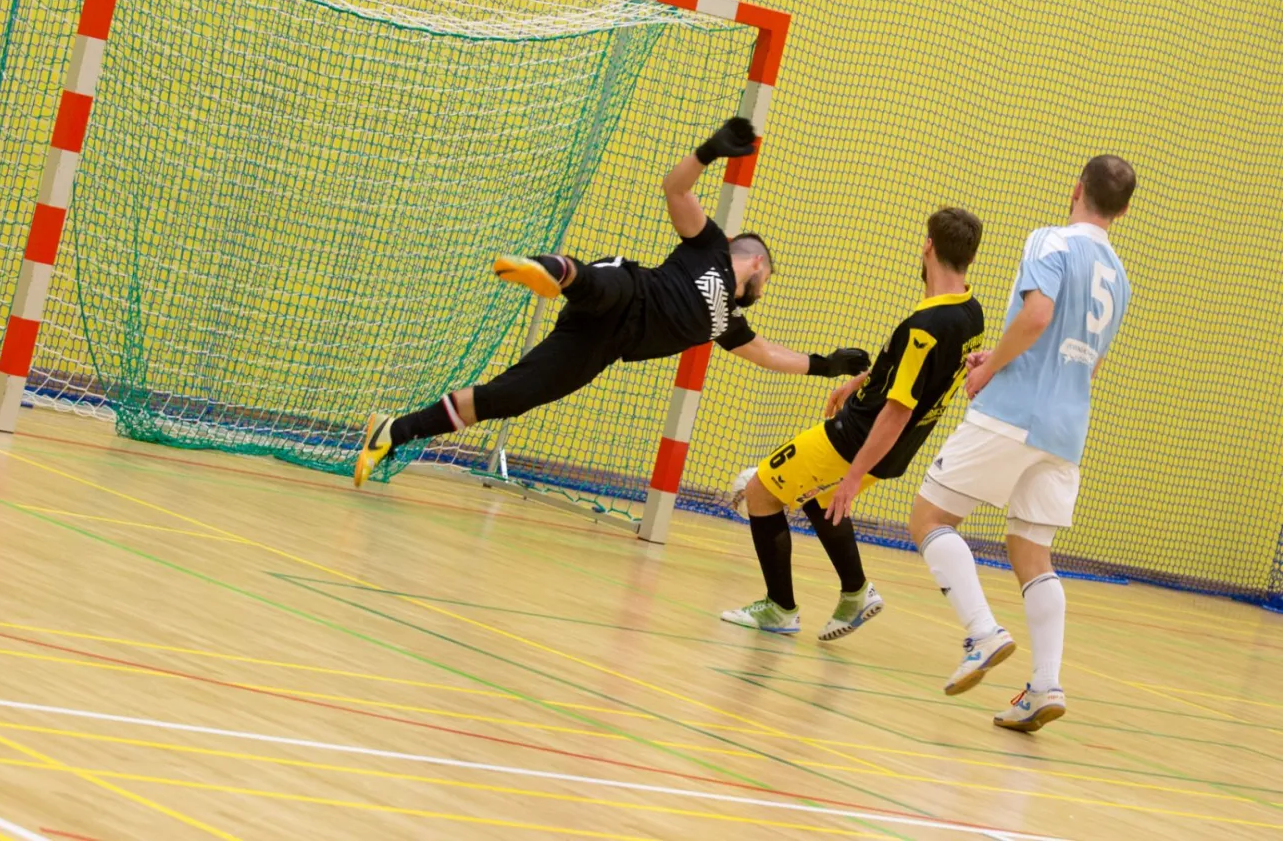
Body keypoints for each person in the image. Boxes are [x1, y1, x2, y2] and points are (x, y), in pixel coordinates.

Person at [353, 117, 871, 486]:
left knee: (511, 396)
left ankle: (393, 430)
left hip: (602, 345)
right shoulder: (711, 245)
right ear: (756, 263)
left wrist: (826, 366)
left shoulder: (728, 323)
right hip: (630, 290)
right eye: (768, 280)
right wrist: (707, 152)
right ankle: (550, 270)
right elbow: (674, 190)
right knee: (604, 287)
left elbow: (767, 354)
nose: (764, 291)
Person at [908, 156, 1134, 732]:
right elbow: (1088, 362)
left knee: (930, 517)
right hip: (1067, 428)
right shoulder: (1120, 278)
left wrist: (989, 371)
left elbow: (1036, 316)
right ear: (1125, 209)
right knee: (1032, 552)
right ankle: (1044, 686)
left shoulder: (1050, 241)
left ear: (1076, 188)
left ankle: (983, 632)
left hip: (1014, 413)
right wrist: (1004, 356)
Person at [721, 207, 984, 641]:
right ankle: (855, 594)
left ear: (928, 246)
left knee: (760, 493)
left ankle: (779, 608)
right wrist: (860, 381)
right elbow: (916, 375)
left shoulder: (926, 325)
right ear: (969, 258)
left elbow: (898, 408)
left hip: (854, 439)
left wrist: (853, 475)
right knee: (822, 501)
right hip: (895, 450)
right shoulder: (970, 311)